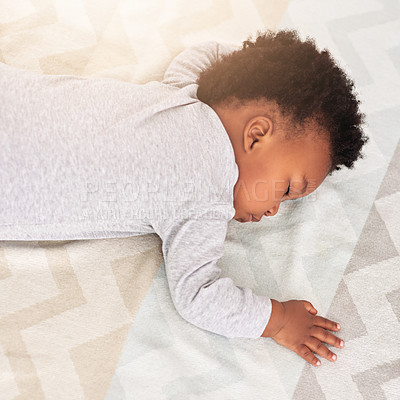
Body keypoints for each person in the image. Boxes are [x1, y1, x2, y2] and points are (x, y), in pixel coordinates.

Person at [0, 29, 368, 366]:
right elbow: (200, 296)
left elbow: (204, 53)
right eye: (287, 189)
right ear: (256, 134)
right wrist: (277, 320)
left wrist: (265, 73)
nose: (273, 210)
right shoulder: (205, 192)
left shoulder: (182, 95)